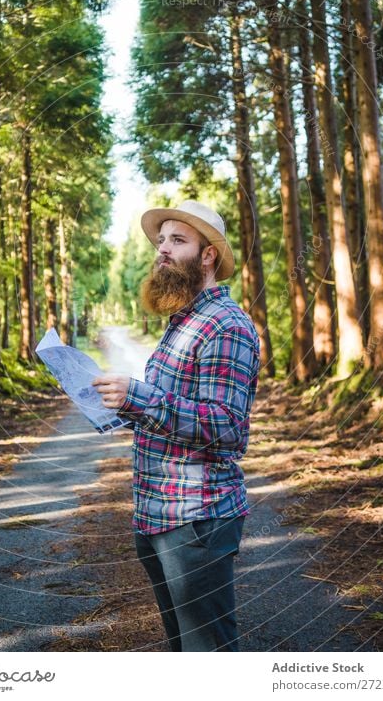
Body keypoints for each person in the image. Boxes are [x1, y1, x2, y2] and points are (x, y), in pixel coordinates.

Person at [92, 200, 260, 652]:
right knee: (184, 649)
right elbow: (174, 412)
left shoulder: (225, 326)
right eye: (161, 239)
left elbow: (227, 427)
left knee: (207, 652)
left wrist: (141, 396)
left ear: (208, 256)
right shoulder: (182, 322)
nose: (162, 249)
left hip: (197, 518)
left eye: (178, 240)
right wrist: (123, 406)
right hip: (156, 512)